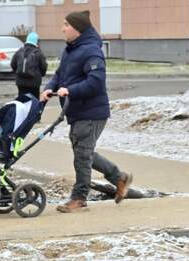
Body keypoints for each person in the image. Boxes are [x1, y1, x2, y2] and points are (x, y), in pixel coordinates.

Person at [40, 10, 133, 212]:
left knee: (82, 155)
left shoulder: (92, 51)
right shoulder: (70, 50)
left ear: (77, 28)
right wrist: (50, 87)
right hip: (78, 112)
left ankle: (79, 197)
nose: (62, 28)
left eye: (66, 24)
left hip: (92, 112)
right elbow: (59, 75)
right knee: (84, 152)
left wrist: (70, 90)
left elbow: (96, 82)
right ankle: (119, 178)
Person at [11, 32, 48, 98]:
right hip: (34, 83)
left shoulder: (19, 51)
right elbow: (44, 66)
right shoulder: (38, 53)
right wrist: (40, 74)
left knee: (22, 100)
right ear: (36, 41)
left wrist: (18, 72)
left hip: (20, 82)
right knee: (34, 101)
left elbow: (12, 64)